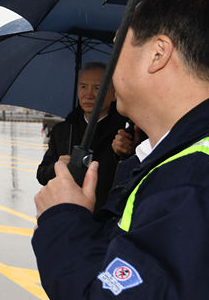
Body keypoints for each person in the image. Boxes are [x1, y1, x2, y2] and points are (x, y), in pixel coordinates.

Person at [33, 0, 209, 300]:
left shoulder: (195, 180)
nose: (112, 58)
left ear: (158, 53)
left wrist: (64, 222)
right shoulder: (180, 161)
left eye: (120, 43)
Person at [36, 62, 136, 217]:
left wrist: (126, 154)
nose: (88, 94)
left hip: (110, 219)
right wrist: (57, 167)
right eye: (83, 87)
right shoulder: (64, 130)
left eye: (97, 88)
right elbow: (42, 175)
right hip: (69, 216)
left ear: (113, 93)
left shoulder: (126, 131)